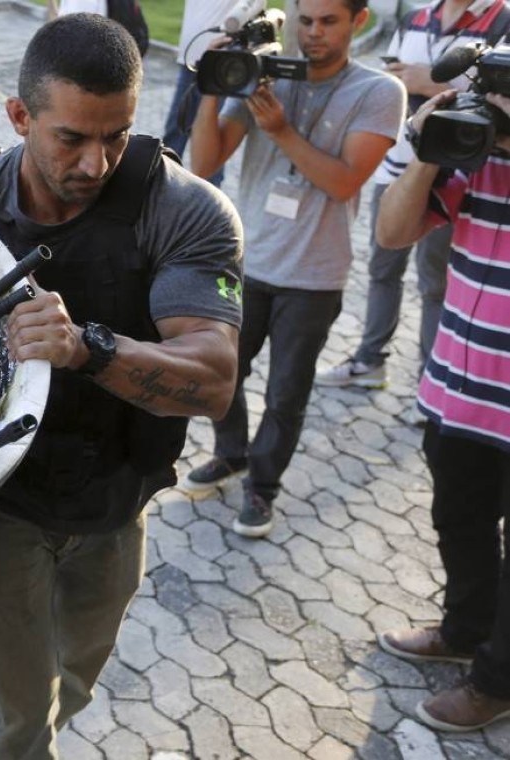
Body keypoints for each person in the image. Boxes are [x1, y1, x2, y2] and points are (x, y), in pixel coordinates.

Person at [0, 14, 243, 759]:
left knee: (77, 674)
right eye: (71, 138)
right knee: (18, 710)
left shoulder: (185, 210)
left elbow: (212, 382)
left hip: (115, 498)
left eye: (115, 136)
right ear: (19, 116)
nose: (95, 162)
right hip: (5, 503)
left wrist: (87, 350)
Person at [185, 0, 405, 538]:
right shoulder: (263, 75)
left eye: (329, 21)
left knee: (286, 394)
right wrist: (215, 87)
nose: (313, 34)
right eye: (305, 20)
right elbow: (204, 164)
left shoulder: (379, 92)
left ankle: (263, 487)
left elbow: (344, 181)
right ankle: (231, 453)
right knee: (223, 372)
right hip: (248, 260)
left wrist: (281, 130)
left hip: (314, 275)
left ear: (360, 21)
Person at [374, 89, 510, 733]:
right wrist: (429, 148)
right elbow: (392, 231)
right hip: (460, 389)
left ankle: (496, 682)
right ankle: (464, 629)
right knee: (461, 519)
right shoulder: (470, 147)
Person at [316, 0, 508, 395]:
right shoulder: (415, 19)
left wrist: (427, 83)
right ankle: (369, 361)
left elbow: (497, 98)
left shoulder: (502, 20)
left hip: (457, 176)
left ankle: (433, 377)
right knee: (382, 270)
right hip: (399, 167)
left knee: (436, 283)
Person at [162, 0, 239, 187]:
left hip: (221, 64)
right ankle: (162, 185)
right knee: (175, 129)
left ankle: (210, 197)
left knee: (212, 134)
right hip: (191, 59)